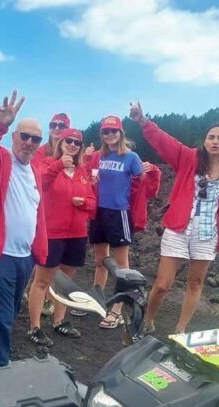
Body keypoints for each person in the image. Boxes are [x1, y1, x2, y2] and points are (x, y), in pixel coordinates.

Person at [130, 101, 219, 334]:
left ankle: (180, 330)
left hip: (207, 233)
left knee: (195, 282)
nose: (215, 141)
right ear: (205, 140)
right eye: (211, 137)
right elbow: (164, 141)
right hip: (179, 228)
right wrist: (143, 121)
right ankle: (147, 321)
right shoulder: (188, 158)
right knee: (163, 284)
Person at [0, 90, 48, 368]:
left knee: (9, 313)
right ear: (14, 136)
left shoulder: (35, 171)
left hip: (23, 257)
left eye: (35, 139)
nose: (29, 142)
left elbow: (36, 212)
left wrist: (38, 251)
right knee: (2, 317)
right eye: (24, 136)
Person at [26, 128, 95, 346]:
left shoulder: (82, 172)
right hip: (52, 234)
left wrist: (83, 203)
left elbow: (93, 202)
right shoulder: (48, 164)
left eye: (77, 142)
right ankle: (35, 327)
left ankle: (59, 321)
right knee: (42, 281)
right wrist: (58, 165)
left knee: (65, 281)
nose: (72, 145)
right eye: (68, 141)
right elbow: (40, 184)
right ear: (60, 143)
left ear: (80, 147)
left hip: (77, 234)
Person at [89, 116, 144, 329]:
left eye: (113, 131)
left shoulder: (131, 157)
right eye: (106, 131)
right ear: (102, 134)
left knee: (121, 265)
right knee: (100, 261)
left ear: (121, 133)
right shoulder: (98, 156)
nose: (110, 135)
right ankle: (97, 301)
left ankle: (117, 310)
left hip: (119, 213)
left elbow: (143, 184)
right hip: (99, 211)